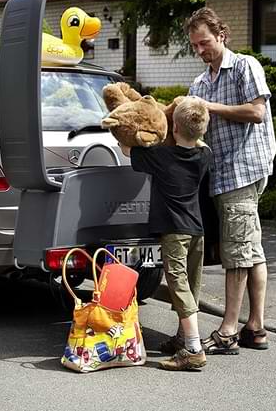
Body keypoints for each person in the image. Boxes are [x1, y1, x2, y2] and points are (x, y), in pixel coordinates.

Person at [184, 7, 276, 354]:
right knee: (252, 248)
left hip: (243, 169)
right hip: (220, 173)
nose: (200, 50)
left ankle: (227, 331)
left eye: (204, 42)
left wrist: (210, 106)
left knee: (237, 251)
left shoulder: (244, 66)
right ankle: (256, 328)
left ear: (221, 34)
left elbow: (256, 112)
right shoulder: (200, 81)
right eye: (194, 46)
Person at [120, 96, 212, 371]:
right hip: (197, 230)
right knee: (192, 283)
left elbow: (126, 149)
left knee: (178, 283)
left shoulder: (160, 156)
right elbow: (199, 140)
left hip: (174, 230)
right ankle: (183, 338)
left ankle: (193, 349)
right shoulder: (205, 154)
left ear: (173, 128)